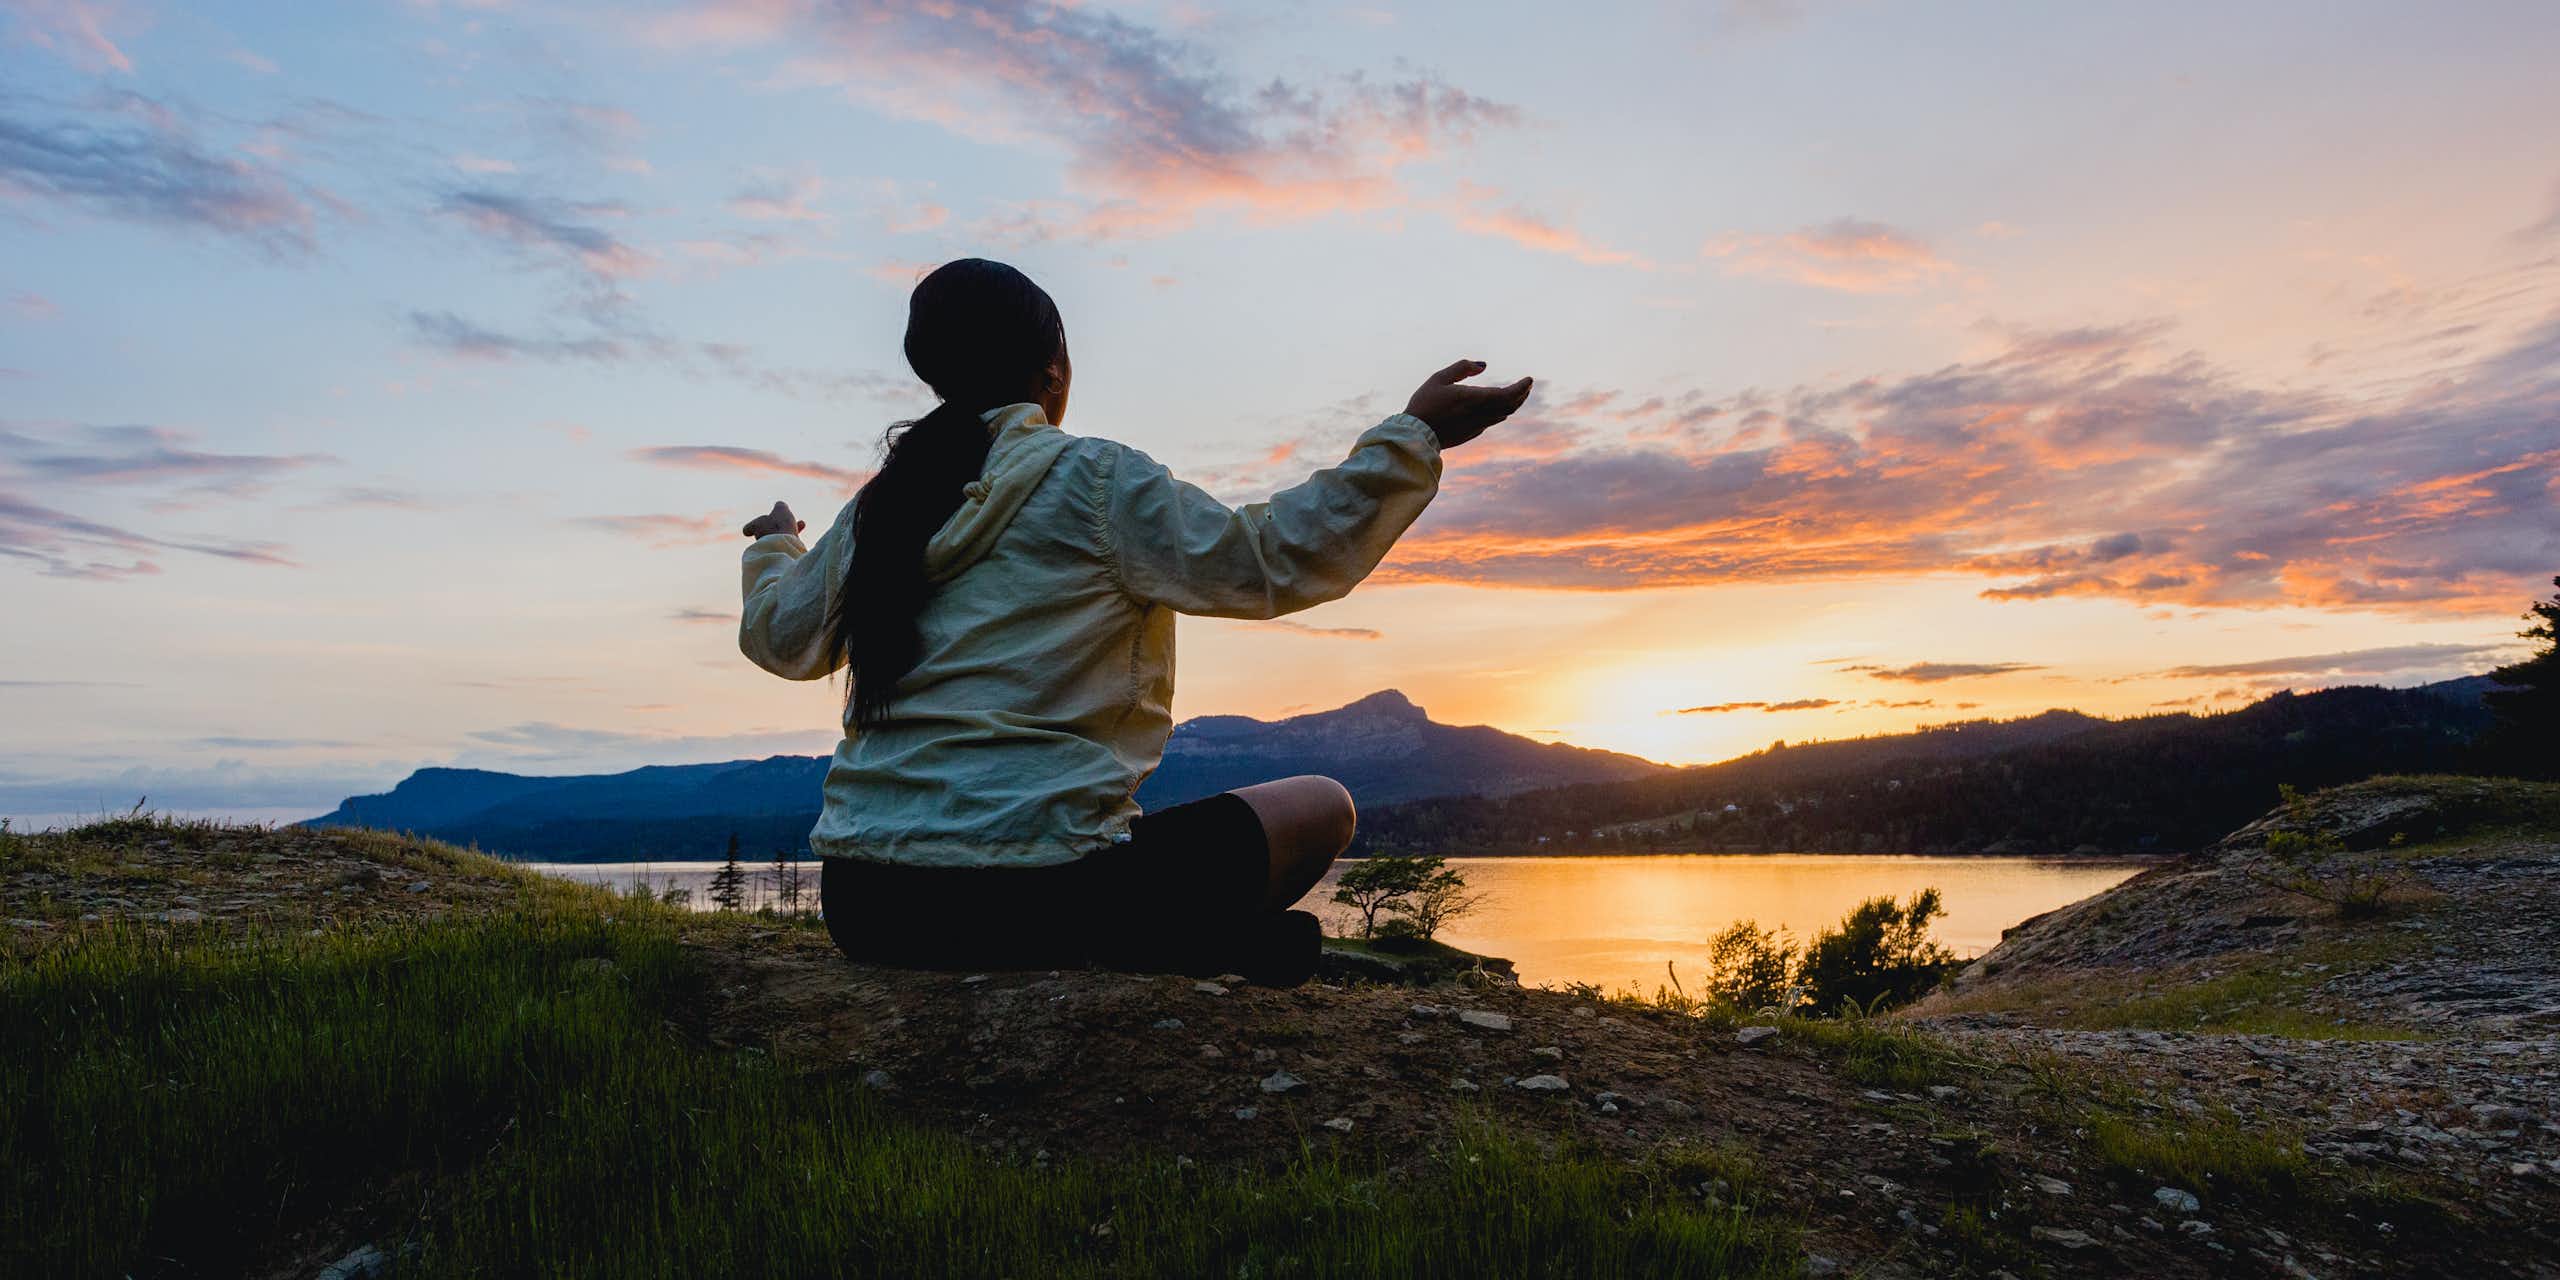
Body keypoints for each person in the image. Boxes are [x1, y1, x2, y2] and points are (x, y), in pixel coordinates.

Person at [737, 258, 1530, 984]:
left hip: (868, 904)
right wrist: (1415, 435)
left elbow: (782, 634)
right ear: (1053, 372)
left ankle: (1179, 941)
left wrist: (778, 543)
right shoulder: (1092, 479)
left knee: (1118, 883)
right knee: (1327, 804)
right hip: (1043, 894)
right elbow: (1270, 557)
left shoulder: (885, 507)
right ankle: (1177, 941)